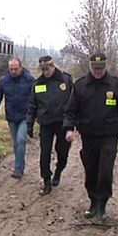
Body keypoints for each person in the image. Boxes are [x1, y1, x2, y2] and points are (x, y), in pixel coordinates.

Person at [64, 52, 118, 221]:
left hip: (109, 136)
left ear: (105, 66)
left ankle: (102, 206)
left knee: (105, 171)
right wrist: (69, 129)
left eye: (101, 68)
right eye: (95, 68)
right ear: (90, 67)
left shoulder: (115, 85)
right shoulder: (81, 86)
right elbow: (70, 110)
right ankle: (93, 202)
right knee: (91, 171)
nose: (98, 71)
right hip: (88, 136)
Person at [26, 56, 73, 196]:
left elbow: (75, 102)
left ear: (53, 67)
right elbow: (32, 105)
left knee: (63, 152)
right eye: (43, 70)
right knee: (44, 153)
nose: (46, 72)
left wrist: (74, 123)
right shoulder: (38, 84)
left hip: (62, 123)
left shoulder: (66, 80)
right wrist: (29, 124)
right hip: (46, 123)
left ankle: (58, 171)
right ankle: (46, 180)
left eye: (48, 69)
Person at [0, 57, 35, 179]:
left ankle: (18, 169)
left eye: (16, 69)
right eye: (11, 69)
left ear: (21, 67)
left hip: (25, 116)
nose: (14, 71)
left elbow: (37, 96)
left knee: (21, 140)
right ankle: (20, 164)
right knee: (16, 144)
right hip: (11, 117)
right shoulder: (4, 80)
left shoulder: (29, 79)